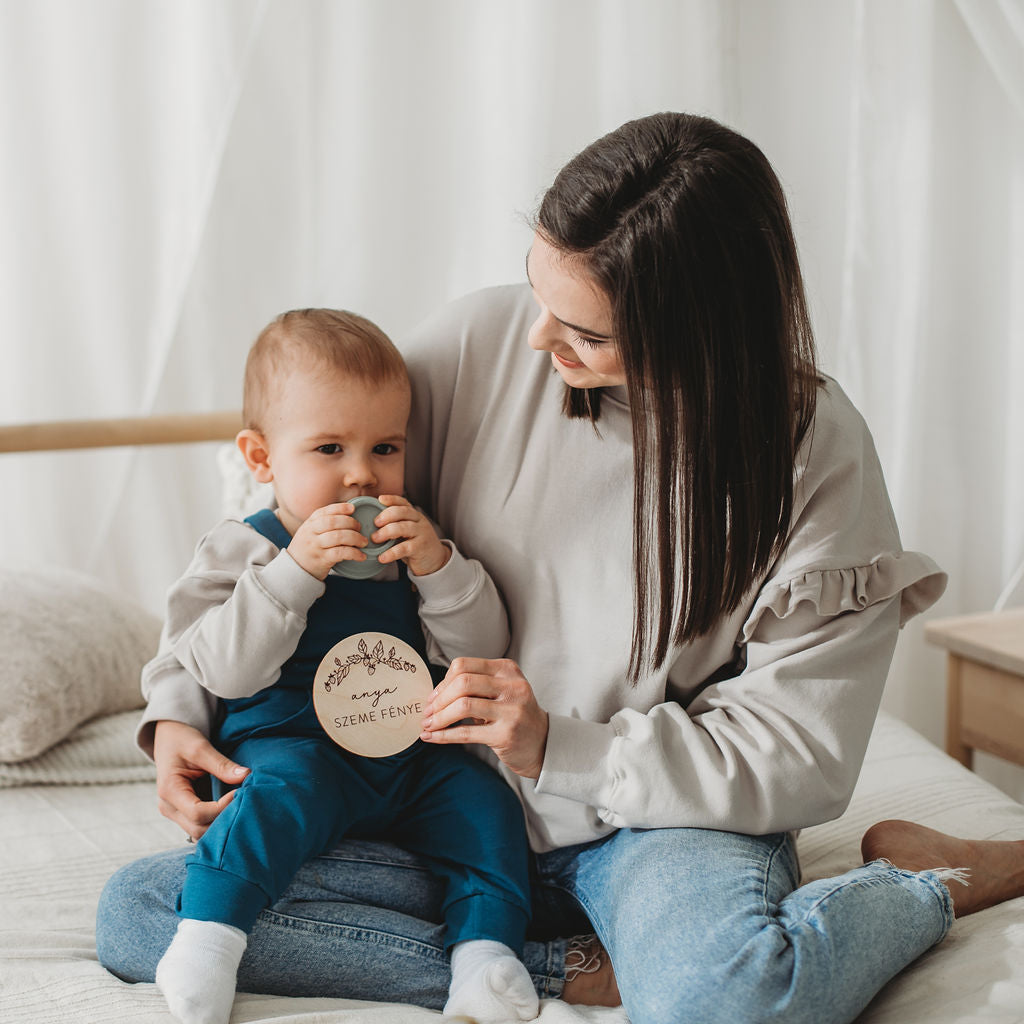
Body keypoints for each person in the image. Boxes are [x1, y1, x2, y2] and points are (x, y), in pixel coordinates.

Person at [97, 113, 1024, 1023]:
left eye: (584, 331)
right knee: (144, 913)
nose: (538, 340)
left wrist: (559, 748)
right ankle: (551, 962)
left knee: (730, 999)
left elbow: (801, 753)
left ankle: (918, 881)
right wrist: (175, 710)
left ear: (695, 334)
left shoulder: (810, 453)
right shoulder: (480, 347)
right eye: (538, 292)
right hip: (444, 809)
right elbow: (286, 514)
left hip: (654, 825)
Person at [140, 308, 538, 1024]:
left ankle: (486, 957)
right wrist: (294, 571)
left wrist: (439, 567)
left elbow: (483, 646)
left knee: (486, 808)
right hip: (295, 749)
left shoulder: (410, 545)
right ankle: (208, 938)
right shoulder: (243, 548)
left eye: (385, 446)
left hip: (407, 752)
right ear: (261, 459)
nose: (362, 473)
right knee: (275, 797)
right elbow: (217, 669)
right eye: (328, 448)